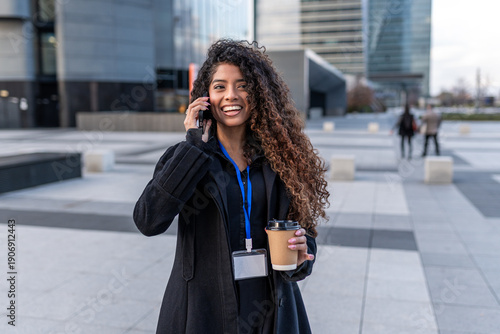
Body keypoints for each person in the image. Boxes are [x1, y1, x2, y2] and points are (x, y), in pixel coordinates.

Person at [133, 39, 329, 334]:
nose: (231, 96)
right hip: (204, 308)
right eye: (220, 86)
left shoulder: (280, 158)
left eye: (243, 85)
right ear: (205, 96)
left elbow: (304, 232)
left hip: (269, 306)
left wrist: (302, 254)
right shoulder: (187, 157)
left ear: (259, 94)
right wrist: (193, 147)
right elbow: (148, 220)